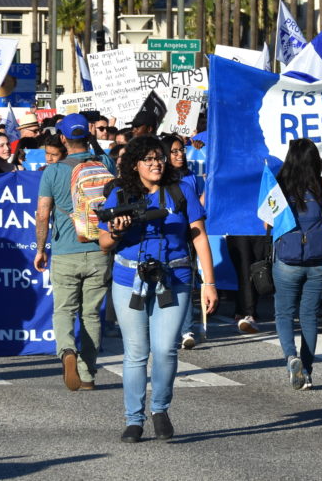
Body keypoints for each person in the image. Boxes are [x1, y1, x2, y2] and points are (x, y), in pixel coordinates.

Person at [97, 136, 217, 442]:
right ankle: (133, 419)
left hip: (174, 277)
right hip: (129, 280)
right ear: (135, 163)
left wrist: (209, 282)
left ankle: (160, 408)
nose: (156, 163)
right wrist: (115, 230)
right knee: (136, 352)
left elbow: (199, 237)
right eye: (148, 159)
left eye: (159, 158)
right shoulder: (120, 194)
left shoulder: (181, 191)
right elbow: (104, 244)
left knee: (165, 349)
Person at [34, 113, 115, 393]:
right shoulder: (105, 163)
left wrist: (41, 249)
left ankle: (67, 350)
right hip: (99, 249)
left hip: (66, 251)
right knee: (91, 314)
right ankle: (88, 374)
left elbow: (43, 214)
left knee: (64, 310)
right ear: (88, 135)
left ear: (63, 139)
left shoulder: (53, 171)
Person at [269, 139, 322, 389]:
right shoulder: (321, 187)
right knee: (309, 315)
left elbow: (267, 223)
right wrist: (318, 162)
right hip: (318, 261)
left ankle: (291, 358)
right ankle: (306, 371)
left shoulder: (278, 188)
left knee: (284, 314)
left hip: (287, 260)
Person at [163, 135, 203, 348]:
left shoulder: (189, 177)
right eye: (174, 151)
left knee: (184, 283)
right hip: (163, 240)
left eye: (182, 150)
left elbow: (198, 207)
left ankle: (186, 329)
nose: (180, 154)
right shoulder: (156, 180)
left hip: (186, 238)